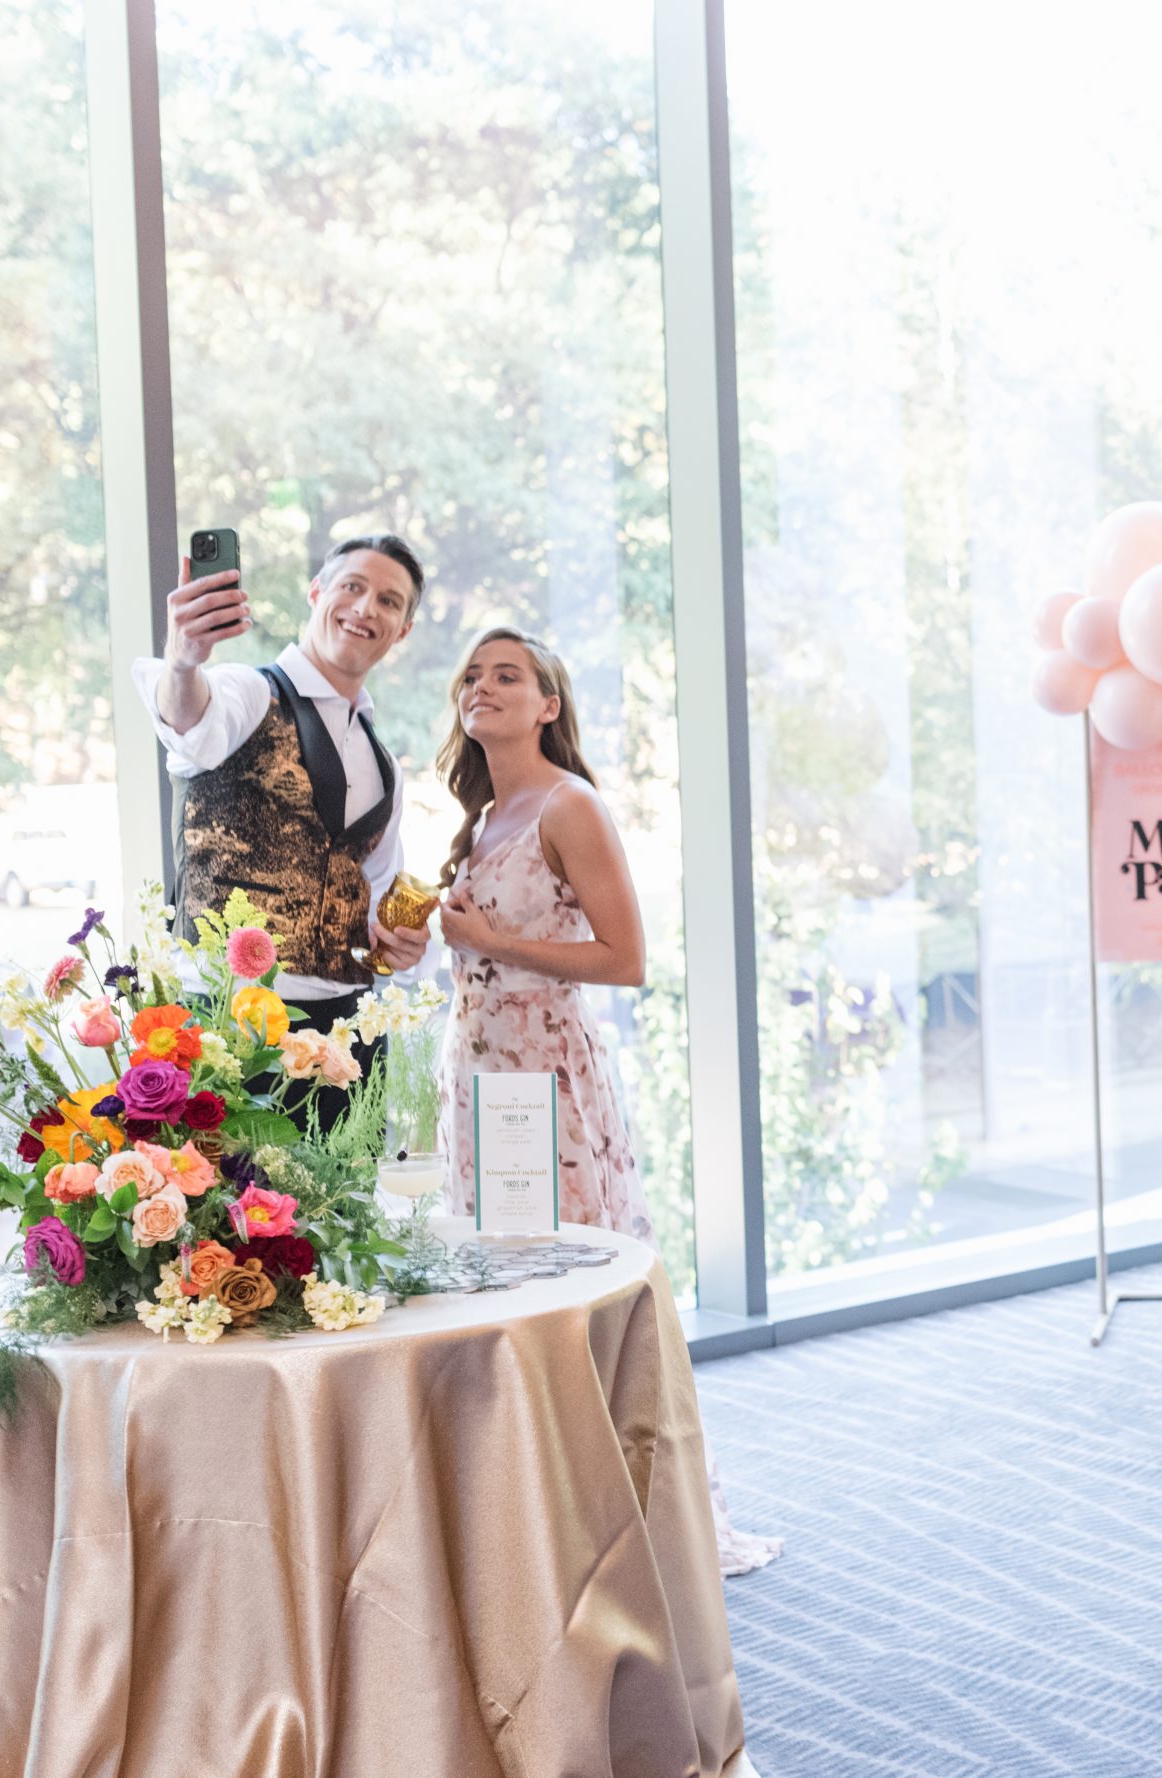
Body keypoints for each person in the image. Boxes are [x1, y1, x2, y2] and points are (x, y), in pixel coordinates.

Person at [433, 625, 781, 1578]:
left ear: (548, 705)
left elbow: (625, 959)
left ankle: (623, 1517)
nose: (482, 686)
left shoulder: (569, 804)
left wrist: (491, 943)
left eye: (508, 675)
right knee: (507, 1287)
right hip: (479, 1082)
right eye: (472, 675)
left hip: (547, 1081)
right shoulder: (482, 819)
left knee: (580, 1286)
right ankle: (535, 1515)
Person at [133, 535, 433, 1121]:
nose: (366, 607)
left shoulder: (385, 764)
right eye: (352, 586)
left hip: (346, 1038)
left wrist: (401, 945)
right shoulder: (249, 692)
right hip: (229, 1026)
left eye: (389, 601)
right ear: (317, 592)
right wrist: (184, 660)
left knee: (350, 1184)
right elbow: (189, 721)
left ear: (403, 631)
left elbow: (376, 898)